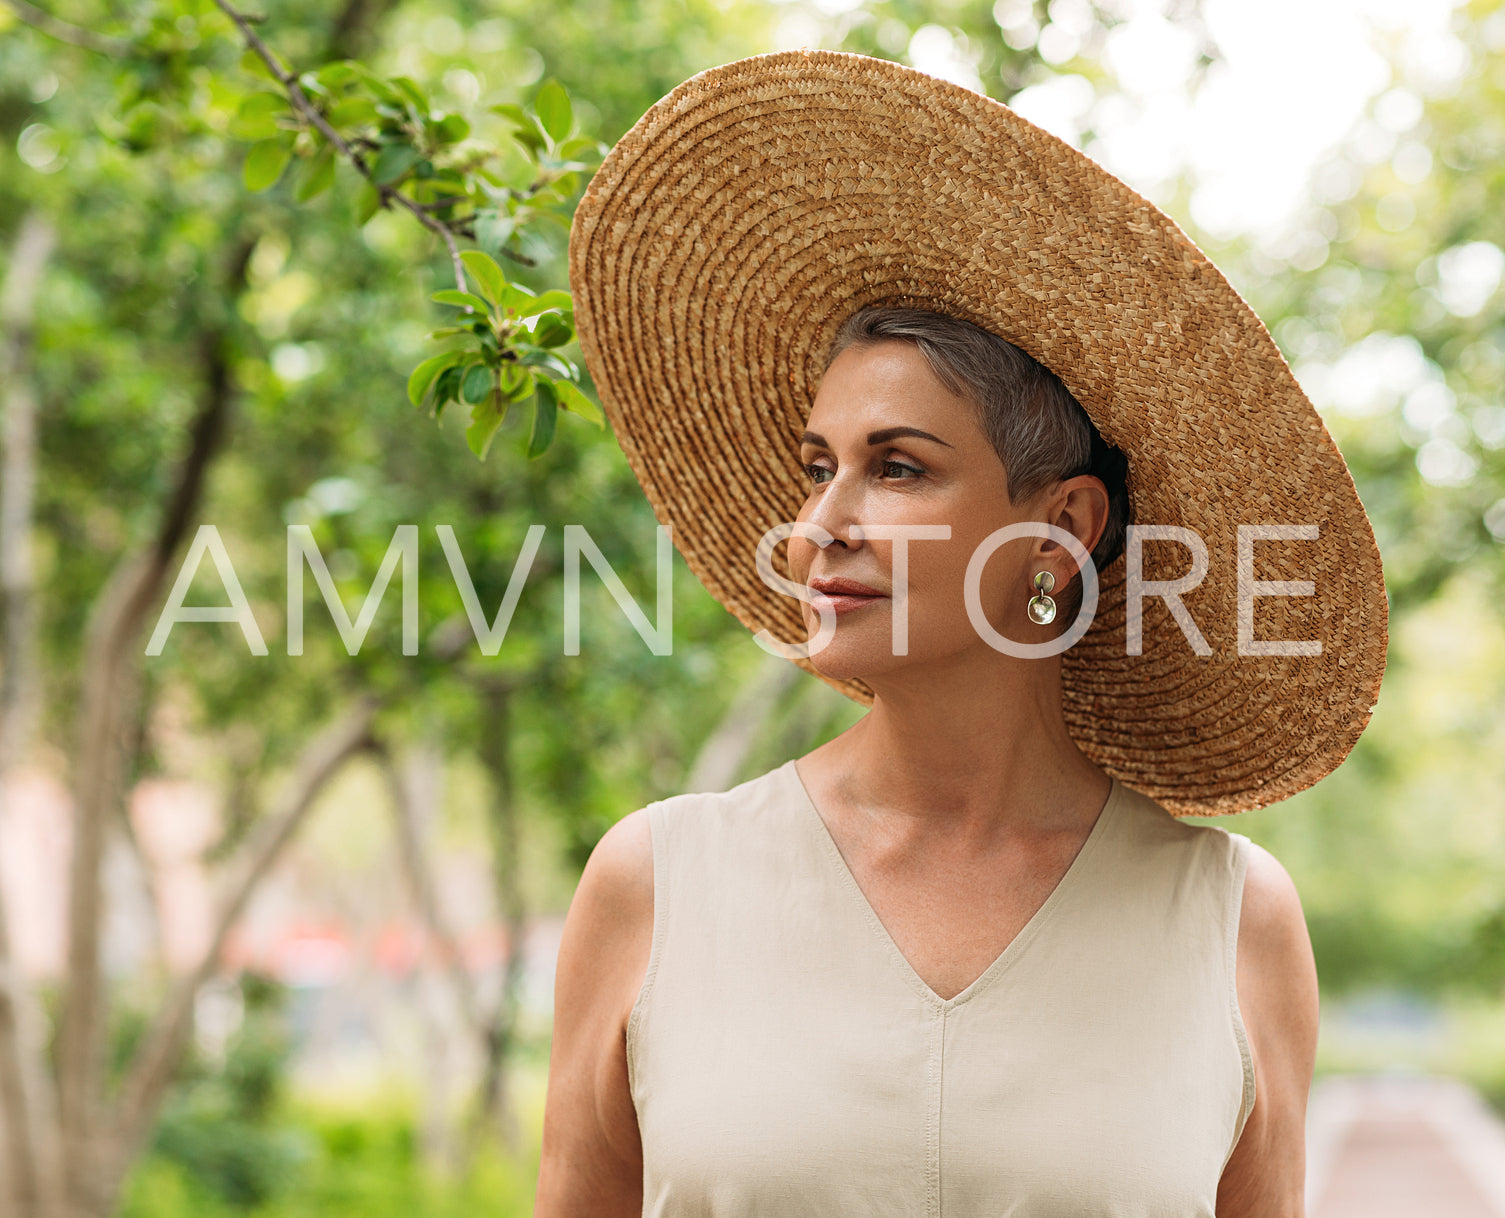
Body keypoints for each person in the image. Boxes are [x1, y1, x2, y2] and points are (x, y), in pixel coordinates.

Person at [536, 50, 1388, 1217]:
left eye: (897, 468)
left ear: (1058, 531)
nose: (815, 528)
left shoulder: (1230, 920)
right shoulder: (656, 882)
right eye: (815, 468)